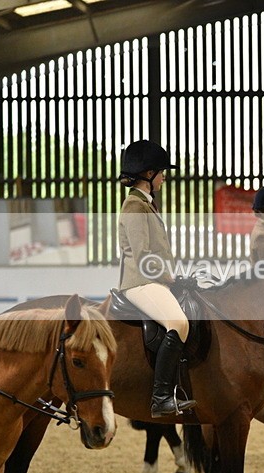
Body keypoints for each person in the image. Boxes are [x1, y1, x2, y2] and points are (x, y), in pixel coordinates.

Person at [117, 140, 197, 418]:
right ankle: (160, 397)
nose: (164, 177)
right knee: (179, 323)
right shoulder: (134, 206)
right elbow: (143, 256)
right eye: (161, 172)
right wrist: (171, 278)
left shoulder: (145, 204)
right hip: (140, 281)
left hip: (153, 280)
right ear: (149, 174)